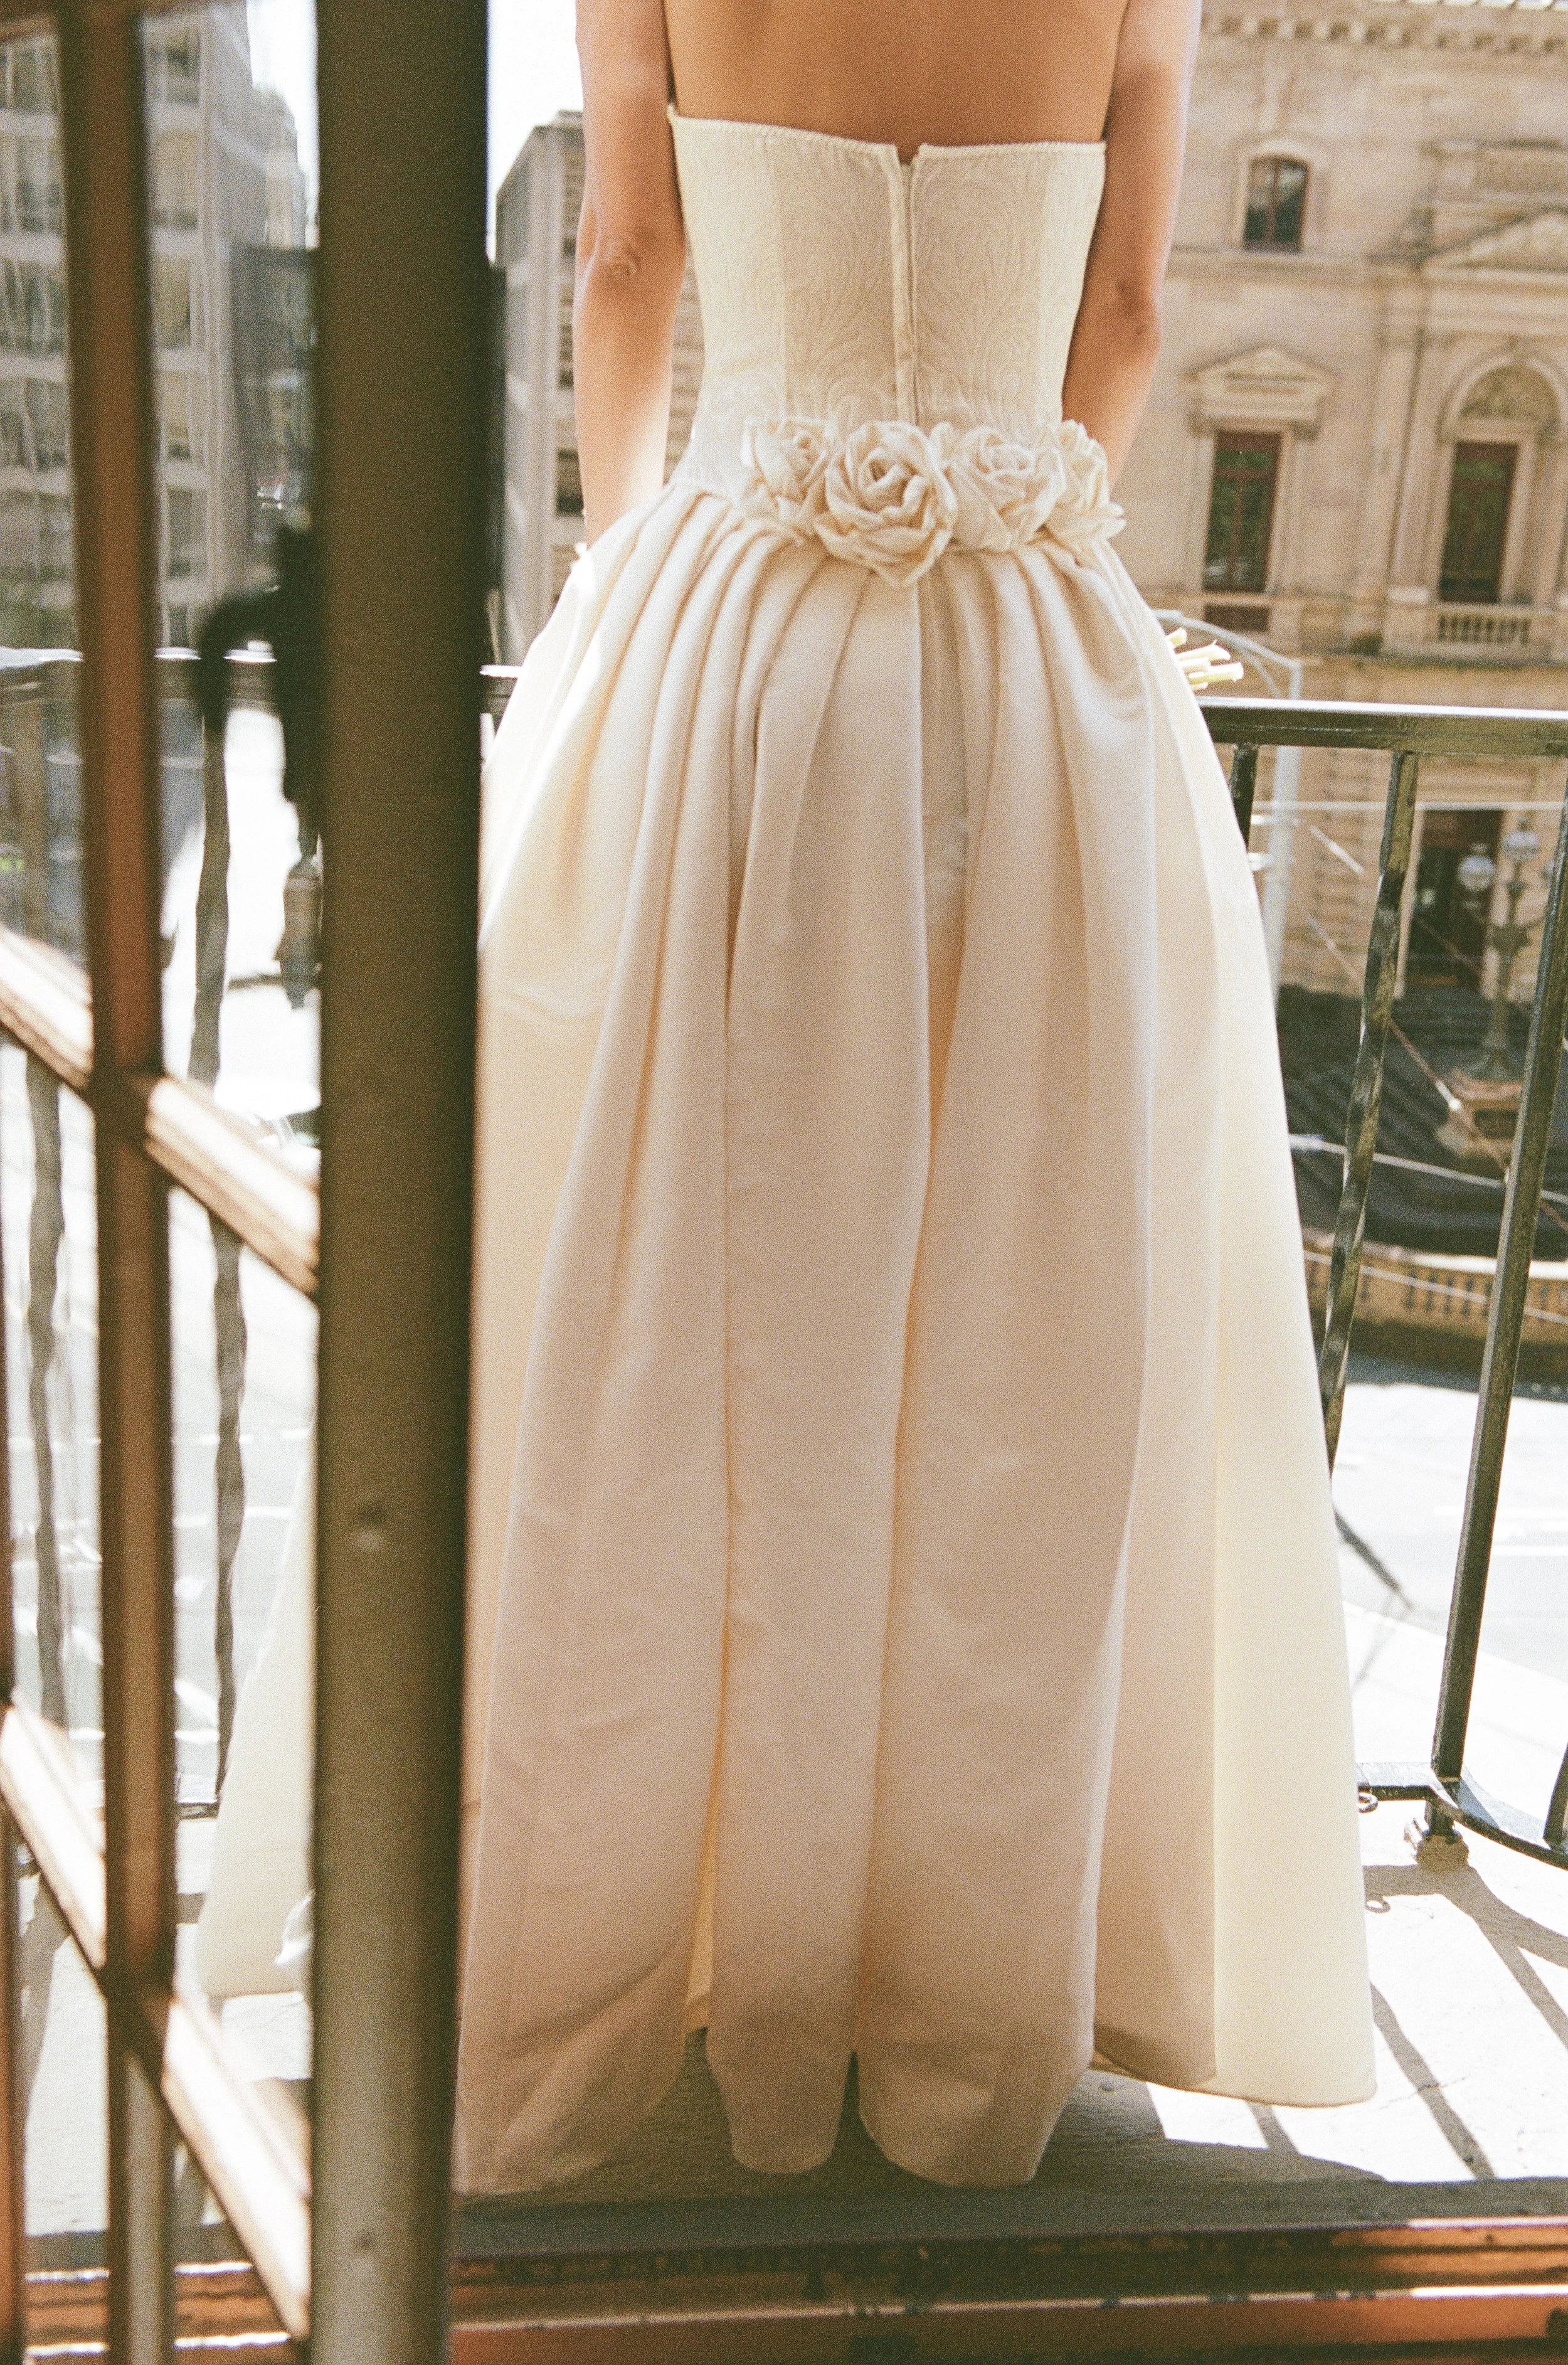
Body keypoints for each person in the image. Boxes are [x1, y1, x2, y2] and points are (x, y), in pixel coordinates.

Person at [464, 0, 1377, 2191]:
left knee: (681, 1281)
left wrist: (628, 555)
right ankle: (949, 1992)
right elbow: (1129, 310)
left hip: (733, 648)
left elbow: (628, 264)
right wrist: (1008, 502)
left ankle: (662, 1922)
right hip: (1028, 678)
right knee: (1019, 1320)